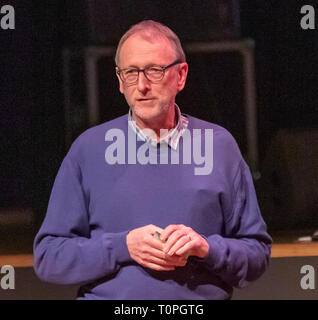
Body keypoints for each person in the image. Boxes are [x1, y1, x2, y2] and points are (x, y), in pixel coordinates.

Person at [33, 20, 272, 300]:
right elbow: (49, 257)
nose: (142, 85)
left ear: (181, 76)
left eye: (154, 71)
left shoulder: (219, 146)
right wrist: (123, 246)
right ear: (120, 81)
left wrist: (206, 248)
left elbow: (256, 254)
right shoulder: (89, 149)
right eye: (131, 73)